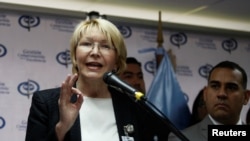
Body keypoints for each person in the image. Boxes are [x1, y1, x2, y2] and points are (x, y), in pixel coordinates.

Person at [25, 18, 171, 141]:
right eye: (87, 44)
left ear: (117, 61)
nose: (95, 52)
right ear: (75, 56)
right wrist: (62, 127)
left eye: (105, 46)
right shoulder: (46, 103)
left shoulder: (133, 106)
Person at [168, 60, 250, 141]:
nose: (221, 94)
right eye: (215, 86)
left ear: (246, 97)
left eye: (231, 87)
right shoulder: (181, 138)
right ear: (205, 94)